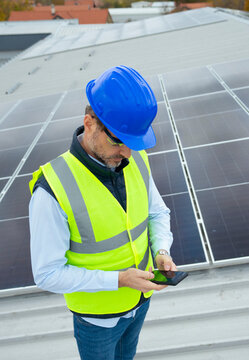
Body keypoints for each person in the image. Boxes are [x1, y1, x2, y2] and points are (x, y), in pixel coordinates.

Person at [29, 65, 177, 360]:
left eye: (133, 143)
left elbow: (157, 213)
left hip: (140, 301)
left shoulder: (134, 158)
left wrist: (161, 249)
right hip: (98, 320)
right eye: (118, 141)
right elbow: (47, 275)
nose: (127, 154)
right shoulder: (52, 188)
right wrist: (118, 280)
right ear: (90, 123)